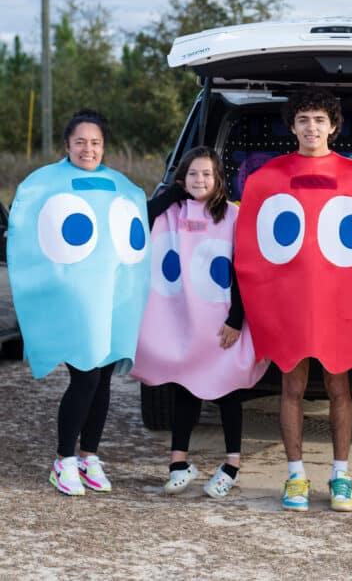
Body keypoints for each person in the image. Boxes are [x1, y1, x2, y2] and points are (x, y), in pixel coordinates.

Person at [234, 88, 352, 512]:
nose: (311, 128)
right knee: (293, 386)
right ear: (292, 126)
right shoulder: (267, 177)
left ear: (333, 126)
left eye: (320, 120)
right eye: (303, 119)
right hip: (289, 306)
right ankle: (296, 477)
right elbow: (248, 249)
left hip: (338, 306)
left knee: (340, 387)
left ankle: (341, 475)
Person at [7, 109, 150, 496]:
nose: (88, 149)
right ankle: (63, 459)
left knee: (102, 378)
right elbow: (26, 235)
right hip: (74, 303)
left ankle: (89, 456)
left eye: (96, 143)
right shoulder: (45, 184)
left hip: (111, 299)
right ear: (67, 145)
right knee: (85, 375)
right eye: (80, 142)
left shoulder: (121, 186)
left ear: (105, 146)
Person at [132, 146, 266, 498]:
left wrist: (237, 318)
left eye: (207, 174)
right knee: (185, 388)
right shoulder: (172, 211)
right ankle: (179, 463)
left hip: (223, 322)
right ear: (183, 178)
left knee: (229, 393)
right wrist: (172, 193)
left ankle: (232, 465)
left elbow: (242, 269)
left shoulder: (234, 217)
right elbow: (139, 222)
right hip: (185, 320)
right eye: (192, 174)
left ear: (219, 179)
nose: (200, 180)